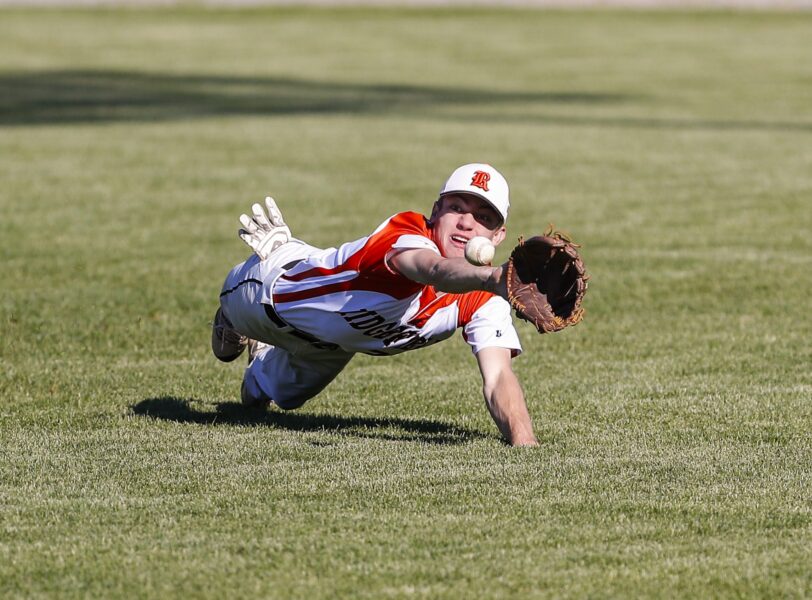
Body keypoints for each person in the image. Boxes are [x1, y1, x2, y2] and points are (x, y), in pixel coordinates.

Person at [212, 163, 538, 447]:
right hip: (270, 293)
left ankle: (261, 358)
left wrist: (525, 443)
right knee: (225, 348)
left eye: (483, 217)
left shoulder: (486, 296)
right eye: (457, 207)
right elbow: (434, 271)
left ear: (498, 236)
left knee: (270, 399)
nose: (467, 223)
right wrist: (494, 278)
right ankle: (230, 320)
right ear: (436, 211)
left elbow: (498, 376)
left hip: (333, 346)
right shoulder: (407, 235)